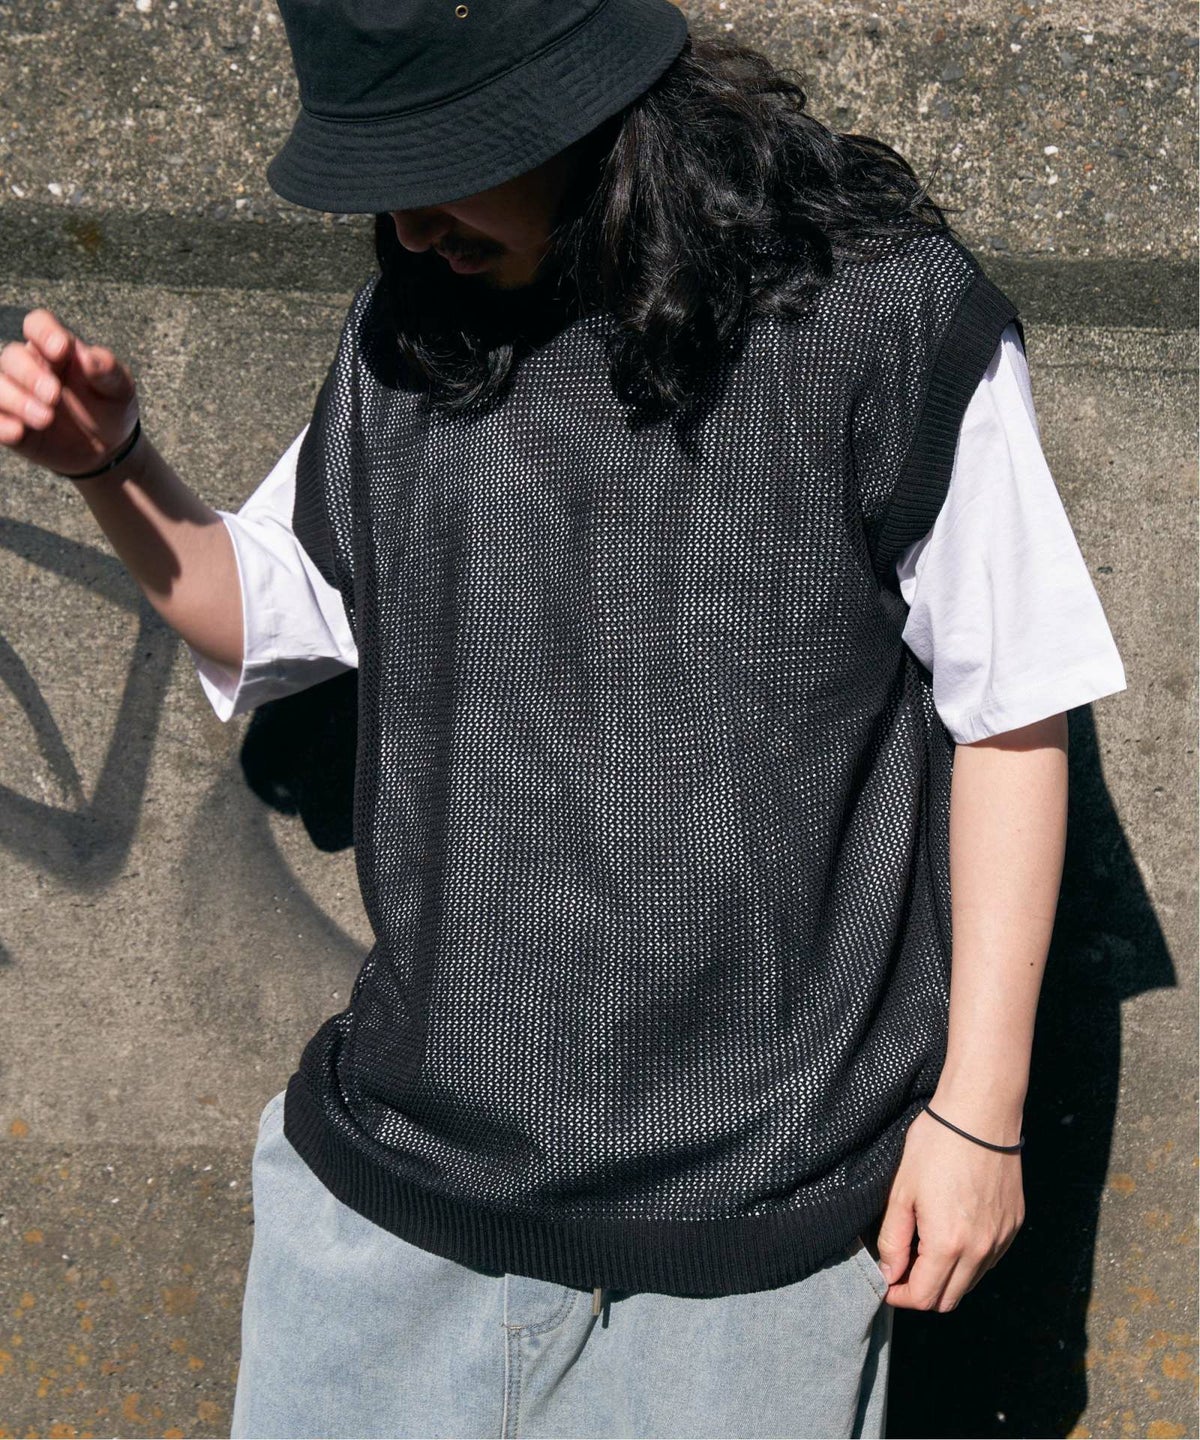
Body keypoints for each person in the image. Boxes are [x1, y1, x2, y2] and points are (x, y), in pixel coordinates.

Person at [0, 4, 1128, 1437]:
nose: (407, 229)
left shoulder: (881, 316)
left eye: (440, 167)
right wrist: (111, 463)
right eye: (381, 184)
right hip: (387, 1219)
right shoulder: (415, 324)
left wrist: (980, 1114)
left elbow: (1014, 707)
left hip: (745, 1254)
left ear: (589, 107)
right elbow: (278, 612)